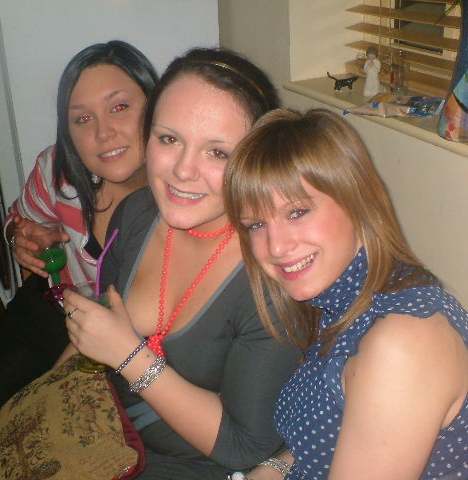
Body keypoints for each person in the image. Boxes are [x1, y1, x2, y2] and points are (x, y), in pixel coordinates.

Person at [56, 48, 302, 479]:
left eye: (218, 152)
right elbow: (97, 328)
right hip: (109, 430)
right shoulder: (136, 213)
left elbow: (243, 446)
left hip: (196, 465)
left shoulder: (272, 275)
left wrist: (129, 356)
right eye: (169, 139)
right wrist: (37, 401)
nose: (183, 172)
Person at [223, 108, 468, 479]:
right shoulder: (340, 299)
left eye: (297, 212)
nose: (275, 246)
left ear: (356, 200)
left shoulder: (402, 343)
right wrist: (272, 468)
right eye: (256, 224)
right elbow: (326, 434)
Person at [0, 40, 158, 480]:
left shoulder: (181, 195)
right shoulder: (58, 171)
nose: (103, 133)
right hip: (51, 310)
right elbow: (19, 217)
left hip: (123, 342)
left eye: (119, 107)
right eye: (82, 118)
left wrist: (34, 402)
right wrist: (20, 236)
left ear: (155, 107)